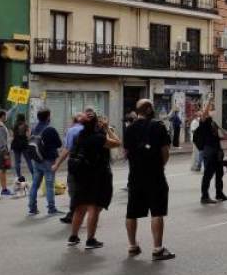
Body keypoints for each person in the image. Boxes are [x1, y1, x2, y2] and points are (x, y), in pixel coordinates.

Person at [123, 99, 175, 261]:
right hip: (155, 174)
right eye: (152, 106)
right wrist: (160, 166)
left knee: (131, 212)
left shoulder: (129, 129)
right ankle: (157, 249)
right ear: (148, 109)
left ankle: (132, 246)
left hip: (135, 175)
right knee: (157, 211)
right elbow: (165, 152)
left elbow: (125, 153)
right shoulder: (158, 126)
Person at [64, 112, 119, 249]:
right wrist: (107, 128)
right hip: (97, 176)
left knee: (80, 207)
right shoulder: (98, 138)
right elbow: (117, 143)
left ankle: (73, 236)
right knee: (93, 207)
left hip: (81, 176)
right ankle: (90, 239)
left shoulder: (79, 136)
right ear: (96, 123)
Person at [27, 108, 63, 216]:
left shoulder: (34, 128)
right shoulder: (50, 129)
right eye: (50, 115)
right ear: (47, 117)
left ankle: (32, 208)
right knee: (49, 185)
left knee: (35, 184)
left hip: (37, 159)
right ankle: (51, 208)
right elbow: (59, 144)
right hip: (48, 161)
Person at [196, 103, 227, 204]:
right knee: (208, 175)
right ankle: (204, 196)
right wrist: (209, 101)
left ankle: (219, 194)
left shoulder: (212, 122)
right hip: (209, 151)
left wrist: (224, 136)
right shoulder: (204, 121)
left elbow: (215, 135)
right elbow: (204, 114)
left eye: (213, 109)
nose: (212, 111)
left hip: (217, 150)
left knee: (220, 173)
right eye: (210, 109)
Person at [11, 113, 32, 182]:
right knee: (28, 160)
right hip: (24, 144)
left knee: (17, 161)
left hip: (16, 144)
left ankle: (19, 175)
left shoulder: (14, 125)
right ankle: (33, 173)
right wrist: (28, 140)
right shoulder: (25, 126)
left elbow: (13, 136)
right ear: (24, 118)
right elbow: (29, 136)